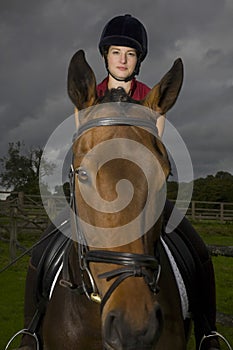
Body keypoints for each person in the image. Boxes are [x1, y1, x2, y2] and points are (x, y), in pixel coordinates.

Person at [17, 14, 220, 350]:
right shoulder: (88, 95)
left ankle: (208, 333)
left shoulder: (150, 97)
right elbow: (81, 146)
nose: (122, 60)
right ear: (106, 56)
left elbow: (154, 152)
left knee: (196, 248)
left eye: (130, 54)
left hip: (141, 189)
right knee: (43, 249)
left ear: (138, 60)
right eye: (116, 53)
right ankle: (29, 333)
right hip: (97, 189)